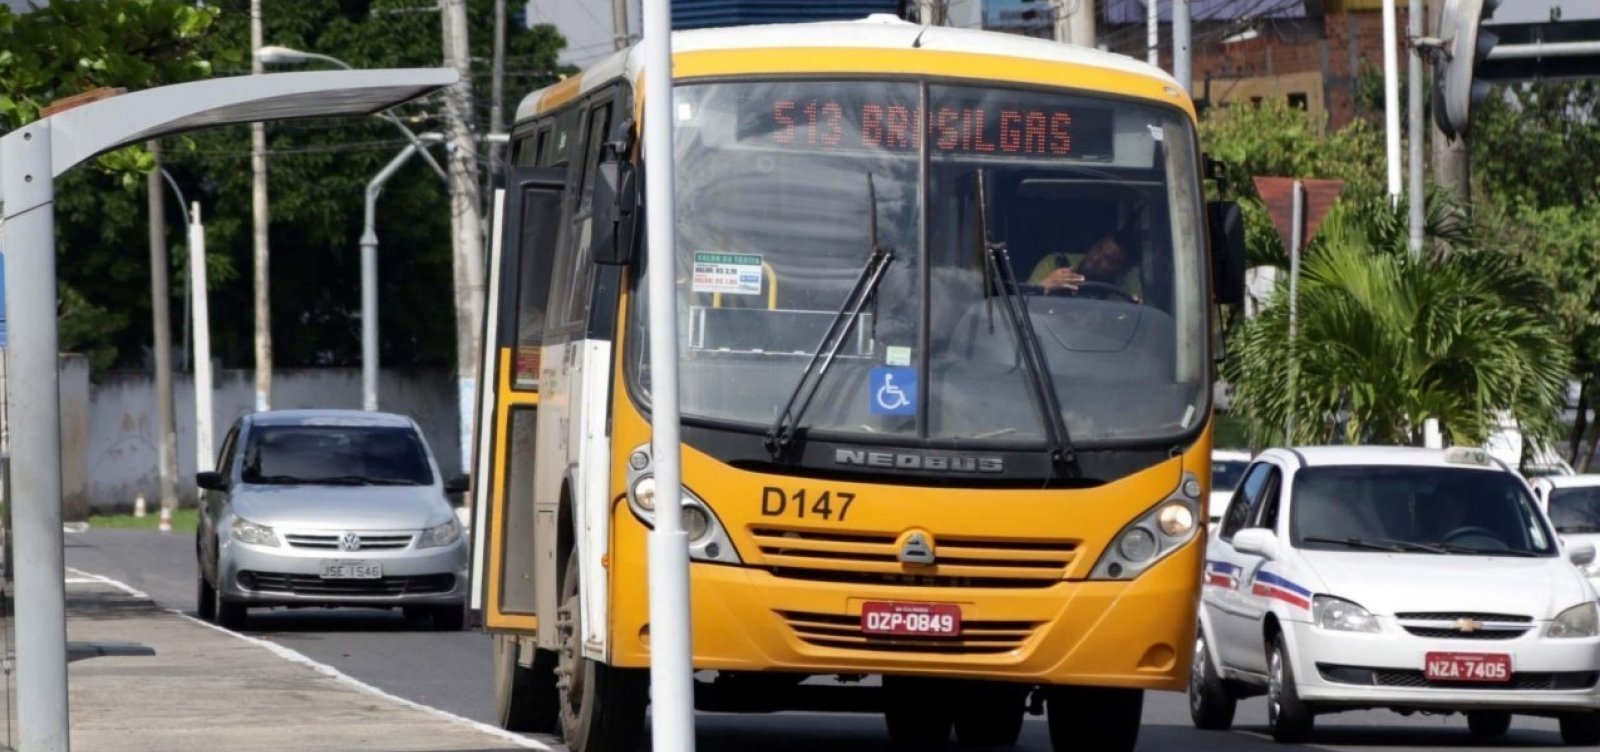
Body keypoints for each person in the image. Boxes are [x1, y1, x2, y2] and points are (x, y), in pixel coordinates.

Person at [1027, 230, 1142, 299]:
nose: (1097, 258)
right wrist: (1046, 286)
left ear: (1120, 270)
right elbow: (1023, 302)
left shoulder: (1124, 287)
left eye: (1108, 260)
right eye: (1098, 248)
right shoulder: (1054, 262)